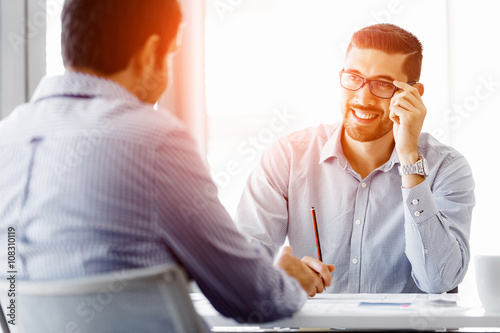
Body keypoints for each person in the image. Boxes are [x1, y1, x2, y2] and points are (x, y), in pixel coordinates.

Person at [0, 0, 335, 328]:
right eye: (172, 54)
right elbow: (253, 299)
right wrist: (288, 280)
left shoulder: (7, 136)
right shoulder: (154, 139)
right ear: (149, 53)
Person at [235, 23, 475, 294]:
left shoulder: (447, 167)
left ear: (413, 95)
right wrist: (277, 273)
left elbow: (438, 280)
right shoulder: (288, 157)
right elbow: (240, 270)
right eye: (353, 78)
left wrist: (410, 158)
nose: (363, 98)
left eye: (383, 84)